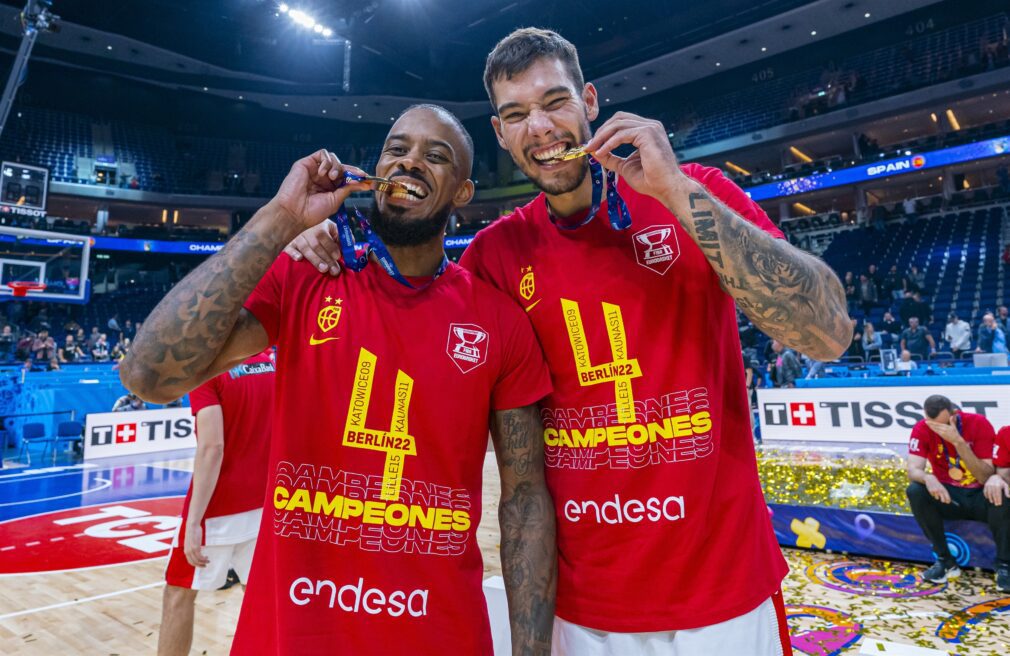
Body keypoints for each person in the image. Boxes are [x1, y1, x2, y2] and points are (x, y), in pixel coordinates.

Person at [285, 27, 853, 654]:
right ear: (501, 136)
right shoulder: (493, 257)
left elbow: (827, 334)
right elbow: (407, 314)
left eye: (554, 102)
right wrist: (316, 242)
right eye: (517, 114)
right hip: (582, 617)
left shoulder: (693, 194)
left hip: (725, 599)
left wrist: (673, 190)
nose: (541, 128)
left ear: (589, 100)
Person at [121, 105, 557, 654]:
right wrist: (283, 218)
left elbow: (523, 501)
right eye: (397, 150)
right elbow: (148, 374)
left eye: (435, 155)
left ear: (464, 192)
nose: (410, 162)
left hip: (438, 634)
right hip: (290, 637)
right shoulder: (303, 274)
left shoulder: (498, 321)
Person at [159, 351, 275, 656]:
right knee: (259, 598)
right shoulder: (271, 362)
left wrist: (194, 522)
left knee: (178, 593)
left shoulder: (206, 369)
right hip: (264, 502)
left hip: (218, 508)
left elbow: (213, 447)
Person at [906, 395, 1008, 591]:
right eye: (933, 424)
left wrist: (959, 443)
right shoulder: (922, 428)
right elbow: (913, 469)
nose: (938, 430)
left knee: (1001, 492)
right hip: (949, 495)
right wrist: (928, 478)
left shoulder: (978, 423)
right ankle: (945, 561)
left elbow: (985, 476)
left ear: (954, 415)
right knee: (915, 491)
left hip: (980, 495)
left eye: (943, 425)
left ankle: (1005, 566)